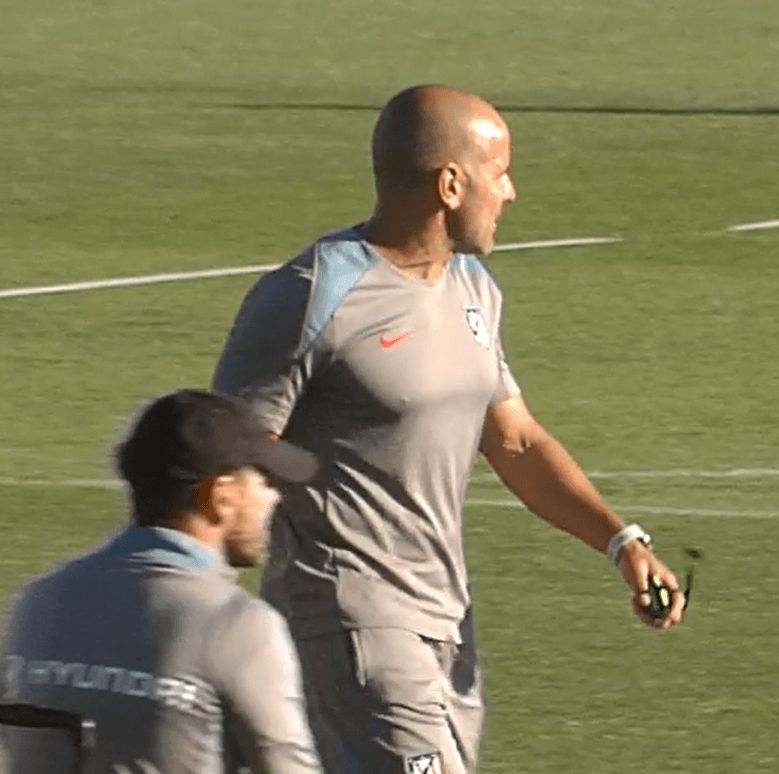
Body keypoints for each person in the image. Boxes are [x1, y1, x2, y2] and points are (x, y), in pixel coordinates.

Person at [210, 84, 686, 774]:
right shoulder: (311, 294)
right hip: (350, 618)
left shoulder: (472, 289)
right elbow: (230, 451)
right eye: (501, 172)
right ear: (452, 183)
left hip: (446, 618)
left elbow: (517, 441)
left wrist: (619, 542)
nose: (513, 192)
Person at [1, 389, 322, 773]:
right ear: (220, 497)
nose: (274, 498)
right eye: (264, 481)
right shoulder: (237, 625)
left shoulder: (38, 602)